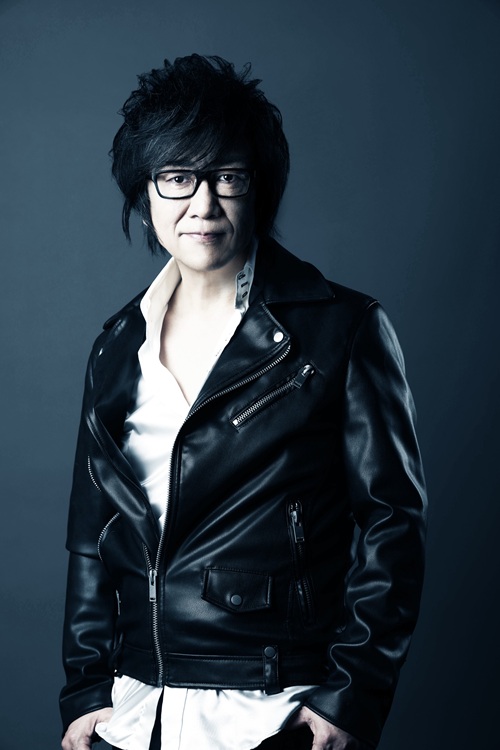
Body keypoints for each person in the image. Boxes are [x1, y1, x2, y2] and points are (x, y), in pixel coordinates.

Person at [60, 54, 427, 750]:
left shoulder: (342, 328)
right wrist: (83, 690)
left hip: (273, 708)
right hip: (136, 713)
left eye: (227, 176)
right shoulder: (117, 345)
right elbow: (91, 533)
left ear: (258, 187)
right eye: (177, 177)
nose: (202, 204)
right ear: (144, 191)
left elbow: (393, 521)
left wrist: (350, 697)